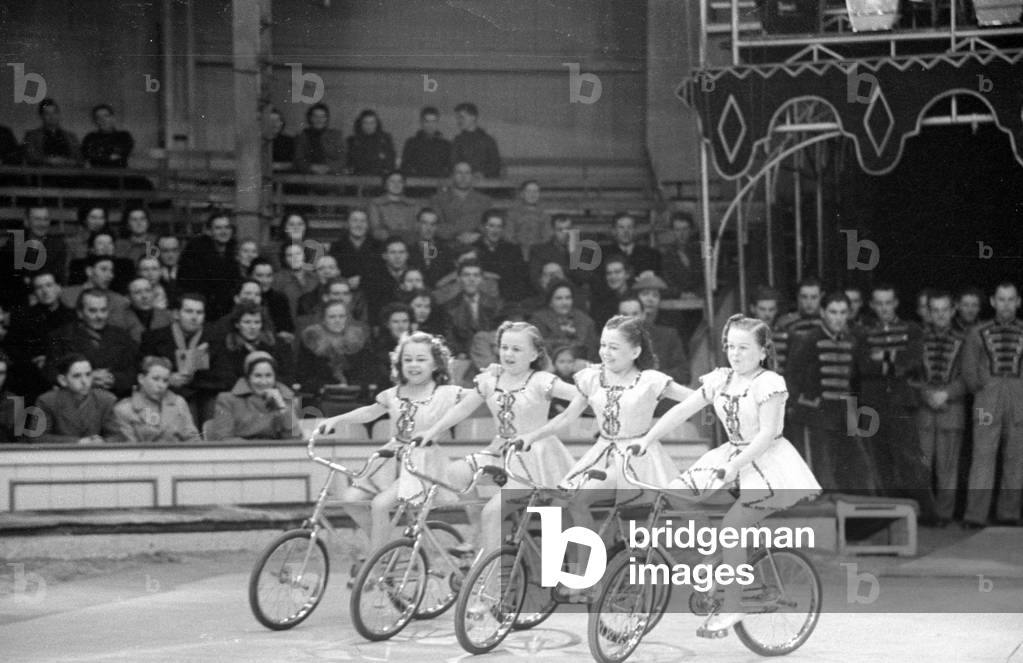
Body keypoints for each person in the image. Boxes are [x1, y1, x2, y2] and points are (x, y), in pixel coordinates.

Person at [637, 313, 821, 636]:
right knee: (677, 494)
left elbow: (765, 435)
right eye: (731, 347)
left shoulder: (769, 383)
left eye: (744, 348)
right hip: (732, 455)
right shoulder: (722, 379)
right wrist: (647, 438)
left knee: (732, 527)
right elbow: (683, 410)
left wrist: (735, 466)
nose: (735, 354)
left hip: (767, 464)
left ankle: (733, 607)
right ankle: (712, 558)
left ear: (763, 351)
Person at [514, 315, 694, 599]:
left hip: (636, 459)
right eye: (603, 345)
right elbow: (566, 417)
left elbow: (694, 398)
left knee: (580, 498)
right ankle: (581, 567)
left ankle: (588, 576)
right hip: (602, 453)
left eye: (614, 347)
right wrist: (532, 436)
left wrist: (725, 397)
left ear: (635, 351)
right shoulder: (592, 378)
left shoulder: (649, 380)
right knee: (562, 499)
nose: (605, 353)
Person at [416, 322, 577, 557]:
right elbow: (463, 408)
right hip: (501, 451)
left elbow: (579, 397)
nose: (508, 354)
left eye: (517, 349)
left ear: (534, 354)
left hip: (535, 459)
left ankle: (491, 578)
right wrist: (432, 431)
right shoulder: (491, 380)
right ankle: (479, 536)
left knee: (493, 511)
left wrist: (553, 425)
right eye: (504, 347)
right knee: (456, 473)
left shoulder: (541, 380)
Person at [315, 332, 470, 555]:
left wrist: (494, 379)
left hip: (422, 461)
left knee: (380, 504)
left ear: (436, 364)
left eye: (421, 359)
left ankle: (375, 564)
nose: (413, 365)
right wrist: (338, 419)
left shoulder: (445, 393)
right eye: (407, 360)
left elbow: (480, 396)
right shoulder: (394, 394)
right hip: (391, 457)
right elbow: (370, 412)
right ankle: (386, 547)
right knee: (350, 500)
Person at [785, 291, 872, 492]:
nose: (838, 318)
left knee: (857, 466)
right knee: (819, 470)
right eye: (833, 312)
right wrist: (803, 404)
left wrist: (855, 419)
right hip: (814, 414)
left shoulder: (852, 340)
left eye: (843, 312)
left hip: (845, 412)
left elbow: (854, 381)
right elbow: (791, 377)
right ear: (823, 312)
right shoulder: (808, 339)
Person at [961, 282, 1023, 528]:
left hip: (1019, 399)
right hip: (987, 400)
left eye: (1011, 300)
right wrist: (984, 387)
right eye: (1002, 299)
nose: (1006, 305)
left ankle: (1008, 514)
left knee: (1016, 459)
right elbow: (968, 368)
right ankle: (975, 516)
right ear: (993, 302)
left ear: (1018, 302)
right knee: (982, 458)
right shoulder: (978, 332)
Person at [856, 284, 926, 499]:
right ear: (871, 305)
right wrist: (894, 358)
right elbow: (863, 365)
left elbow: (912, 361)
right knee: (877, 456)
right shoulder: (862, 332)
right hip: (871, 401)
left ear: (895, 303)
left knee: (909, 457)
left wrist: (883, 358)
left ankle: (922, 509)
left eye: (888, 303)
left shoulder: (912, 329)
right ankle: (886, 509)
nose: (884, 308)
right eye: (879, 303)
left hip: (902, 400)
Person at [915, 290, 968, 526]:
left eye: (944, 310)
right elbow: (910, 375)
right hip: (924, 410)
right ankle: (926, 512)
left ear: (953, 310)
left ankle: (944, 515)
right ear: (928, 312)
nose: (939, 315)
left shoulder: (965, 339)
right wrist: (926, 394)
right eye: (934, 310)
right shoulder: (918, 338)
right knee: (922, 466)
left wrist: (947, 393)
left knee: (948, 468)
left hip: (951, 409)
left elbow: (970, 376)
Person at [46, 290, 140, 398]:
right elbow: (51, 373)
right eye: (93, 311)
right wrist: (86, 377)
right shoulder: (60, 336)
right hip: (75, 401)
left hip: (116, 399)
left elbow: (133, 370)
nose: (99, 316)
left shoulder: (122, 336)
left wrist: (112, 378)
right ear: (80, 313)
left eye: (103, 310)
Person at [140, 293, 218, 422]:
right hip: (166, 392)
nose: (194, 317)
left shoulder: (213, 339)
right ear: (176, 314)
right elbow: (142, 372)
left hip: (202, 394)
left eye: (199, 313)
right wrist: (167, 379)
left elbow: (223, 377)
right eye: (189, 311)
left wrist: (192, 378)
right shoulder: (153, 338)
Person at [207, 351, 301, 440]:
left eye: (268, 375)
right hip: (240, 453)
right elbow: (223, 438)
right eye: (258, 376)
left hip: (275, 453)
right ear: (248, 378)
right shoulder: (227, 400)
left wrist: (282, 409)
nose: (264, 382)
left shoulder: (285, 399)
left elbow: (295, 438)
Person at [209, 302, 293, 394]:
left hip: (273, 392)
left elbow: (287, 374)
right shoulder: (226, 346)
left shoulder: (276, 344)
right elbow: (225, 377)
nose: (252, 327)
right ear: (237, 324)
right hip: (238, 396)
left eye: (257, 322)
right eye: (247, 322)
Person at [113, 356, 201, 443]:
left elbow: (193, 440)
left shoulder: (178, 403)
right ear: (141, 379)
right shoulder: (124, 409)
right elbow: (127, 450)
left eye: (165, 380)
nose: (161, 385)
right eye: (156, 379)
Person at [36, 354, 120, 444]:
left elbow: (118, 436)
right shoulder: (44, 401)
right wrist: (78, 442)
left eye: (88, 374)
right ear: (62, 380)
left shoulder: (107, 399)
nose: (84, 381)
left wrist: (102, 442)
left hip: (95, 455)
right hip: (59, 456)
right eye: (77, 376)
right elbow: (33, 437)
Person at [297, 301, 372, 395]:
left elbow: (365, 373)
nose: (338, 320)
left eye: (342, 316)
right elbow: (304, 374)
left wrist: (352, 386)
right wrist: (325, 387)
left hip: (355, 395)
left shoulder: (358, 338)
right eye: (332, 317)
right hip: (321, 395)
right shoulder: (311, 338)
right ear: (323, 319)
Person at [177, 210, 240, 321]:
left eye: (227, 227)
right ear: (210, 231)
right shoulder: (196, 252)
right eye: (218, 228)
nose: (224, 231)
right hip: (203, 311)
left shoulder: (233, 252)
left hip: (227, 312)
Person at [444, 260, 502, 358]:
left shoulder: (496, 304)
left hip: (490, 355)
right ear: (459, 279)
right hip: (463, 358)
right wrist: (459, 353)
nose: (471, 279)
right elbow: (450, 338)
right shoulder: (449, 307)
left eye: (476, 275)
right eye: (466, 275)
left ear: (482, 279)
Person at [529, 279, 598, 361]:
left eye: (568, 298)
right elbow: (538, 348)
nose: (564, 302)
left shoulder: (585, 320)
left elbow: (593, 349)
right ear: (550, 301)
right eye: (559, 298)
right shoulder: (538, 320)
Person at [430, 161, 494, 247]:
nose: (463, 177)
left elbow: (490, 227)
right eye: (459, 173)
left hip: (477, 245)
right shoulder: (438, 199)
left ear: (472, 176)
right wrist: (459, 234)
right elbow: (435, 227)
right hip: (448, 246)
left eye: (467, 173)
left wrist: (478, 235)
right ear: (452, 176)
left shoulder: (485, 200)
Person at [473, 209, 530, 301]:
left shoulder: (513, 249)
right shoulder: (473, 249)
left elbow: (520, 278)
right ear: (483, 227)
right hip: (481, 297)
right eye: (491, 226)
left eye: (499, 226)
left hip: (508, 297)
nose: (495, 231)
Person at [773, 277, 824, 374]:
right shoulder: (785, 323)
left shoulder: (829, 323)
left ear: (821, 296)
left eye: (814, 297)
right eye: (804, 297)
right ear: (798, 297)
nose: (809, 302)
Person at [328, 208, 383, 291]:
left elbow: (381, 273)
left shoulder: (378, 246)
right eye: (355, 220)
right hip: (343, 291)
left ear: (368, 225)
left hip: (372, 292)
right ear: (347, 224)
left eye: (363, 221)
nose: (359, 225)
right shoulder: (336, 247)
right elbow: (332, 272)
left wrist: (363, 280)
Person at [60, 255, 131, 318]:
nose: (110, 276)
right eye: (104, 269)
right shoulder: (66, 294)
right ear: (89, 271)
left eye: (111, 271)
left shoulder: (120, 301)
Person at [68, 230, 134, 292]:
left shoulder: (125, 264)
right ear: (92, 249)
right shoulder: (78, 265)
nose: (106, 246)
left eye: (110, 243)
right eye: (100, 243)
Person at [23, 98, 80, 167]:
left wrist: (66, 161)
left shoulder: (71, 137)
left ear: (59, 114)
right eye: (47, 113)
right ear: (41, 116)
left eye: (54, 112)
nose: (52, 116)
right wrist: (48, 160)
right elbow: (30, 157)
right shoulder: (32, 136)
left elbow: (79, 158)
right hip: (42, 175)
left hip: (69, 174)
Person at [601, 212, 661, 278]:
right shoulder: (604, 255)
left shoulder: (651, 254)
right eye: (621, 227)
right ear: (614, 231)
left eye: (630, 227)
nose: (626, 231)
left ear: (635, 230)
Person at [407, 207, 456, 287]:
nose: (428, 228)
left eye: (432, 224)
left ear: (436, 227)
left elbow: (453, 275)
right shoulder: (408, 250)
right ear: (417, 224)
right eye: (424, 223)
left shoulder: (446, 250)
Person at [114, 278, 173, 344]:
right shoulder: (119, 321)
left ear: (153, 294)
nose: (144, 296)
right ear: (128, 297)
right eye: (137, 292)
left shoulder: (166, 316)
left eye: (148, 291)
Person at [451, 102, 501, 178]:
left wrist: (483, 174)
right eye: (457, 118)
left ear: (473, 117)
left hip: (485, 185)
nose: (459, 121)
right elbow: (453, 164)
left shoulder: (488, 140)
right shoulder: (457, 141)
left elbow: (495, 165)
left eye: (462, 117)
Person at [660, 211, 703, 298]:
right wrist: (681, 294)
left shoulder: (700, 251)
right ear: (672, 231)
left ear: (691, 230)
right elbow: (666, 282)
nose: (682, 234)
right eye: (678, 230)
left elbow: (706, 279)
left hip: (701, 301)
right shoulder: (667, 254)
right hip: (676, 303)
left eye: (685, 229)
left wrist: (697, 294)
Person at [293, 103, 345, 175]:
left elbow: (343, 157)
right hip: (307, 177)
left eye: (322, 116)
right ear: (310, 118)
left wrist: (329, 167)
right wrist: (311, 167)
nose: (319, 119)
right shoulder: (303, 136)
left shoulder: (336, 135)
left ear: (327, 118)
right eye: (315, 116)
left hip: (332, 176)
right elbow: (298, 159)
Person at [400, 106, 452, 178]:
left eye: (433, 121)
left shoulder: (446, 145)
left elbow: (449, 168)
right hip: (417, 185)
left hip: (439, 185)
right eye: (427, 121)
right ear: (421, 123)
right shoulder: (411, 143)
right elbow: (405, 167)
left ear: (437, 123)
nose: (430, 125)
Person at [249, 258, 294, 337]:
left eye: (268, 276)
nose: (265, 280)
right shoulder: (245, 297)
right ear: (250, 276)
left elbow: (289, 329)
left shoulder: (280, 298)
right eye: (259, 276)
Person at [368, 171, 419, 242]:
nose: (396, 185)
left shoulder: (413, 204)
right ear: (385, 185)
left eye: (400, 182)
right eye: (392, 181)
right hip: (385, 244)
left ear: (404, 184)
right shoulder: (376, 204)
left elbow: (417, 229)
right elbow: (375, 230)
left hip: (409, 244)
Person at [81, 103, 134, 168]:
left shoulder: (124, 136)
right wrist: (109, 156)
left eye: (106, 116)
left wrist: (98, 156)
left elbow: (120, 155)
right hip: (95, 175)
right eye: (98, 117)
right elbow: (87, 156)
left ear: (113, 118)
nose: (103, 120)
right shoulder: (90, 138)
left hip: (119, 175)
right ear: (95, 121)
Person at [505, 180, 551, 257]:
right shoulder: (512, 214)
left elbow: (547, 238)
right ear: (522, 194)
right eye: (529, 191)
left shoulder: (544, 216)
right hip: (517, 254)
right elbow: (508, 237)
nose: (532, 195)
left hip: (538, 255)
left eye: (535, 191)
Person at [346, 109, 396, 176]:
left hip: (379, 177)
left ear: (377, 124)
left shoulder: (385, 139)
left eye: (372, 123)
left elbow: (390, 161)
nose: (369, 126)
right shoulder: (352, 140)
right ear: (360, 124)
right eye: (365, 123)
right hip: (358, 177)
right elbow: (352, 162)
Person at [589, 255, 633, 330]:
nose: (613, 277)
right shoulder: (600, 301)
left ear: (627, 274)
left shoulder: (635, 296)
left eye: (617, 272)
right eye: (609, 273)